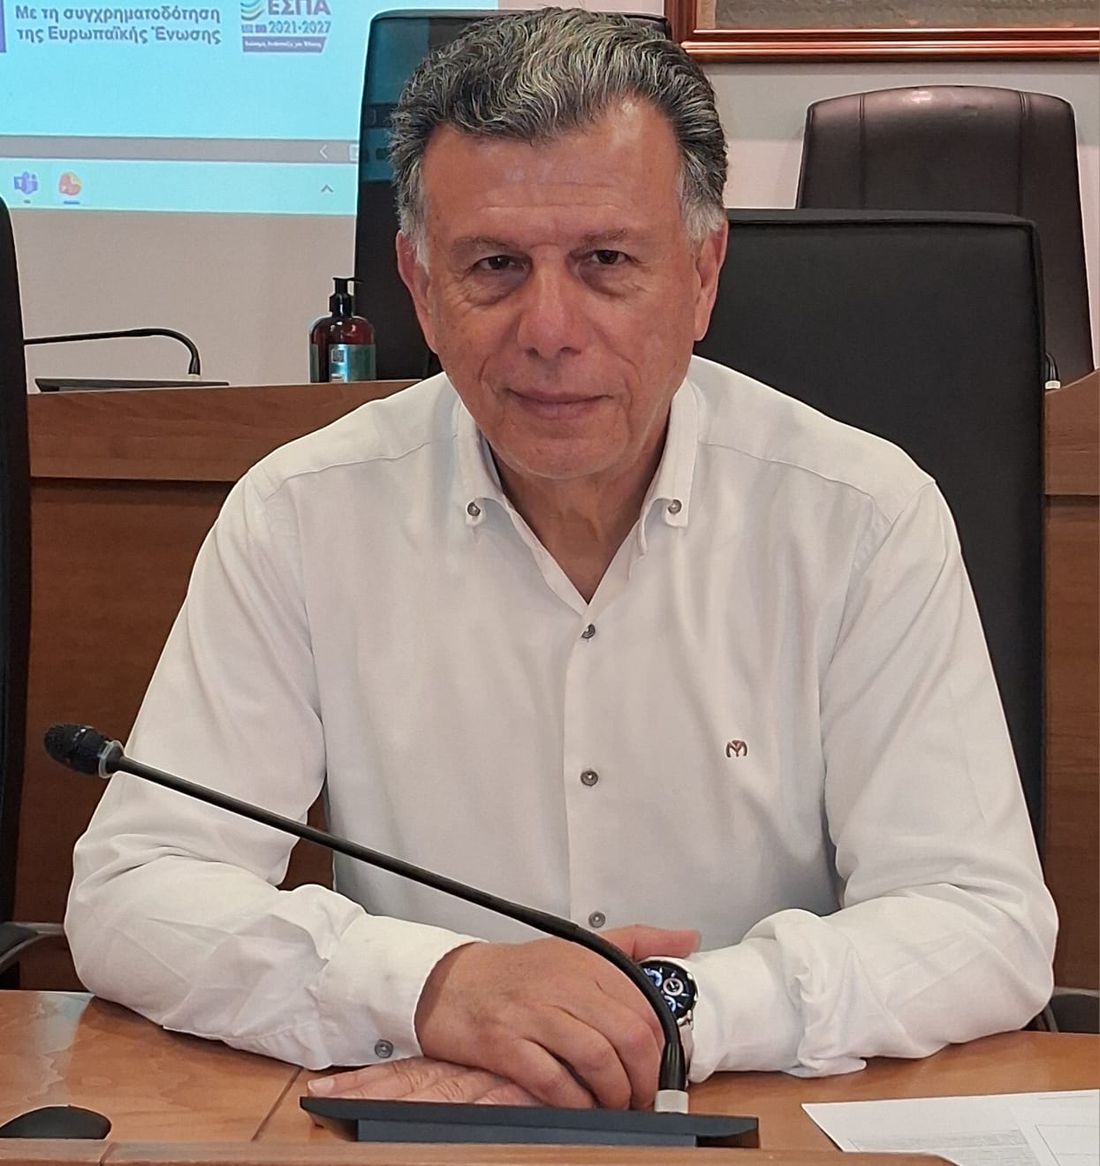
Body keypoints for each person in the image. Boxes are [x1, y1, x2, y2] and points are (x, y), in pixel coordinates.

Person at [66, 8, 1055, 1112]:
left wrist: (676, 1010)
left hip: (760, 1117)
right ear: (419, 285)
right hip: (429, 1117)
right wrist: (433, 983)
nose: (548, 328)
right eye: (494, 265)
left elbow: (982, 921)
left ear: (702, 273)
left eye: (605, 261)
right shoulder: (301, 514)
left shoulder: (860, 516)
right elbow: (134, 891)